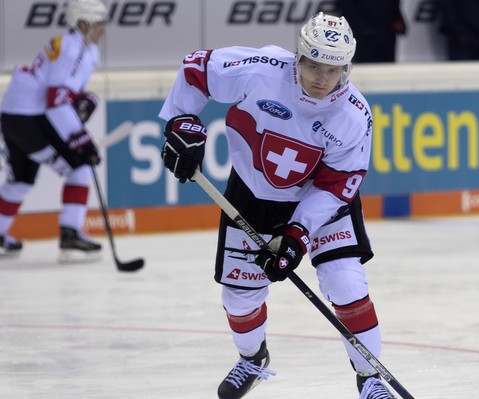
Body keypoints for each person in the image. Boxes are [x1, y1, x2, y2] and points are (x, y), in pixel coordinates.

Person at [159, 12, 396, 399]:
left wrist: (297, 235)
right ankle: (253, 358)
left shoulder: (354, 115)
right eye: (313, 65)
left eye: (333, 69)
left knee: (346, 283)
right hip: (252, 196)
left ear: (346, 69)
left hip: (319, 202)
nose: (321, 77)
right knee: (239, 296)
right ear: (298, 57)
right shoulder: (261, 70)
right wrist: (179, 121)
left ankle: (369, 378)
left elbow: (338, 185)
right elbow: (197, 69)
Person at [0, 0, 105, 261]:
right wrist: (80, 138)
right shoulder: (74, 48)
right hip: (31, 119)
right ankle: (70, 233)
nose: (103, 28)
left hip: (13, 116)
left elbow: (63, 94)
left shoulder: (76, 46)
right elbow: (56, 104)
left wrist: (84, 99)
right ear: (82, 23)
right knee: (80, 168)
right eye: (98, 22)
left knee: (20, 182)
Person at [337, 0, 407, 63]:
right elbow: (346, 5)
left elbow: (394, 4)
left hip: (387, 30)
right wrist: (361, 26)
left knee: (387, 67)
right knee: (366, 67)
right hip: (363, 34)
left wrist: (397, 18)